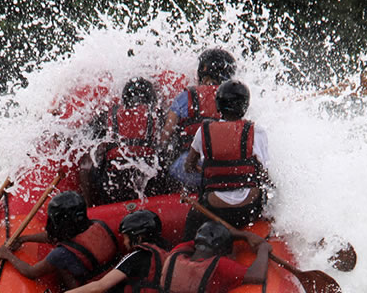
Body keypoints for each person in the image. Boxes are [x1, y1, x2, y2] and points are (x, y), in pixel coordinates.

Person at [55, 209, 169, 293]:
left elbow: (99, 287)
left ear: (139, 237)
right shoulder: (167, 253)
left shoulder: (137, 256)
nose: (125, 243)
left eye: (126, 238)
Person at [181, 79, 270, 240]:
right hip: (248, 209)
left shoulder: (204, 130)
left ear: (218, 105)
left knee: (192, 220)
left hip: (215, 209)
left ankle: (185, 253)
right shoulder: (256, 131)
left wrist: (211, 173)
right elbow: (263, 173)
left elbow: (189, 166)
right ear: (245, 106)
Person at [155, 221, 270, 293]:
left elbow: (202, 241)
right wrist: (263, 248)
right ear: (221, 250)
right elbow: (257, 275)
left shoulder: (177, 253)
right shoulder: (219, 265)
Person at [0, 191, 119, 289]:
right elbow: (55, 237)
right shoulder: (98, 224)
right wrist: (24, 239)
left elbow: (31, 272)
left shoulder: (61, 254)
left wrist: (7, 255)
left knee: (61, 265)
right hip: (114, 280)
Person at [157, 48, 237, 191]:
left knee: (170, 166)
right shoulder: (234, 99)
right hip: (225, 171)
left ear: (202, 74)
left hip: (190, 169)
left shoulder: (186, 97)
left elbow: (165, 136)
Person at [79, 77, 162, 205]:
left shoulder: (106, 115)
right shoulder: (159, 114)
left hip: (115, 187)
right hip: (150, 186)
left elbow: (82, 137)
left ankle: (89, 206)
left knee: (86, 165)